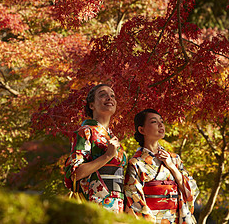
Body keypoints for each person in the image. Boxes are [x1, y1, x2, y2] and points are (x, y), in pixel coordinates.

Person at [124, 109, 199, 224]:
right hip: (153, 220)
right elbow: (133, 200)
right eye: (154, 122)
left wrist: (172, 167)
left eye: (162, 121)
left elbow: (192, 189)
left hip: (176, 219)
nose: (160, 125)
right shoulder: (136, 163)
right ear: (141, 129)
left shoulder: (174, 159)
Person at [64, 84, 127, 213]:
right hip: (95, 202)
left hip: (118, 202)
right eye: (103, 95)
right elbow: (75, 174)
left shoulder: (112, 137)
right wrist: (107, 156)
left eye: (112, 95)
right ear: (91, 105)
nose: (109, 98)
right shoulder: (85, 132)